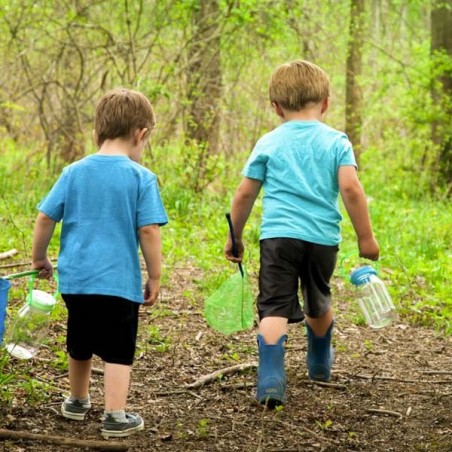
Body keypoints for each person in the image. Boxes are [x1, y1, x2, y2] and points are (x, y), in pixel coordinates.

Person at [224, 60, 379, 408]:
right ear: (325, 103)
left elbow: (245, 193)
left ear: (276, 108)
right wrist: (366, 238)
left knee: (274, 306)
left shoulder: (269, 141)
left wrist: (235, 236)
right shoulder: (336, 141)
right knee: (317, 297)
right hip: (323, 238)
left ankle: (270, 380)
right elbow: (351, 190)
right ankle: (320, 363)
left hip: (279, 238)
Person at [31, 88, 168, 437]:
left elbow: (46, 217)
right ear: (142, 134)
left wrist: (40, 258)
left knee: (80, 338)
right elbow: (149, 229)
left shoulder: (73, 172)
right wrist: (154, 275)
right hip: (118, 283)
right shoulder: (141, 177)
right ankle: (115, 415)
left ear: (97, 131)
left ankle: (76, 401)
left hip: (76, 280)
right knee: (119, 348)